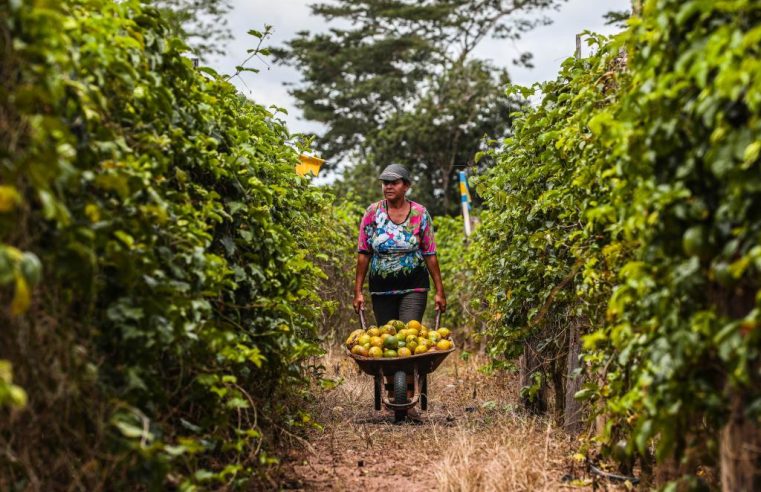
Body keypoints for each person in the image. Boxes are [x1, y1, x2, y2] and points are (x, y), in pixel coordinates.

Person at [353, 163, 446, 326]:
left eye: (394, 183)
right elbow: (364, 253)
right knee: (387, 340)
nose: (388, 187)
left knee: (408, 335)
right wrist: (358, 291)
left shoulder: (420, 213)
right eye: (385, 183)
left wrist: (440, 291)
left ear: (406, 186)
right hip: (381, 290)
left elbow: (430, 254)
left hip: (414, 287)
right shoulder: (372, 213)